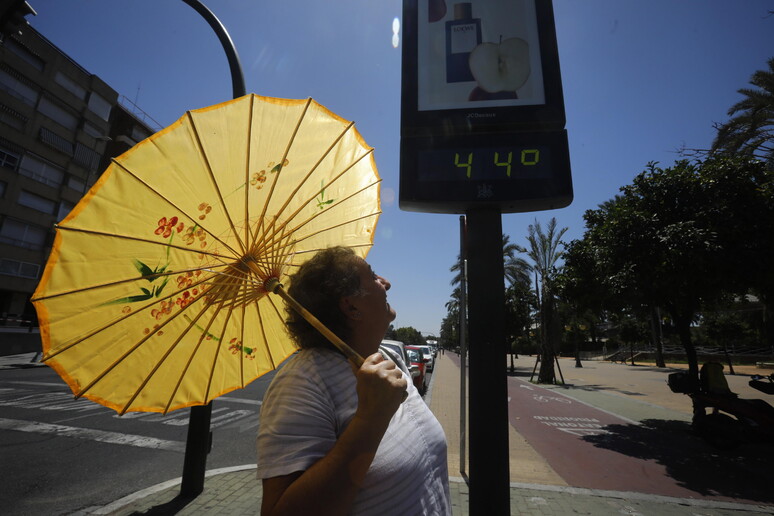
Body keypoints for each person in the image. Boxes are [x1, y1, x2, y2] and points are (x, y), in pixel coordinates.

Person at [256, 247, 451, 516]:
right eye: (372, 276)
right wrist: (371, 419)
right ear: (351, 306)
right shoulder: (302, 383)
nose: (387, 283)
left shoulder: (388, 355)